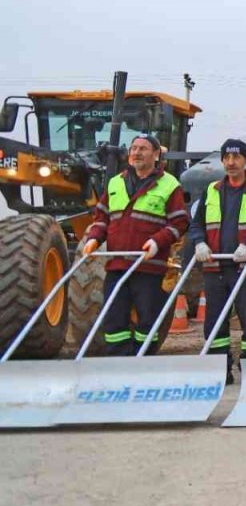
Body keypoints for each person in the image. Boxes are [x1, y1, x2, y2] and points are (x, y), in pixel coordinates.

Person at [81, 134, 189, 355]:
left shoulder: (169, 185)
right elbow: (102, 218)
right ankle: (119, 363)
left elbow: (180, 222)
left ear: (156, 155)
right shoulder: (115, 183)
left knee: (147, 319)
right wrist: (94, 238)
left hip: (148, 266)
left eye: (143, 149)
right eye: (134, 148)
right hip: (117, 265)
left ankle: (143, 361)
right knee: (114, 320)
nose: (137, 153)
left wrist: (157, 242)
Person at [189, 138, 246, 382]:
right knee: (214, 323)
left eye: (236, 157)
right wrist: (199, 242)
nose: (231, 163)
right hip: (215, 267)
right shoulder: (212, 191)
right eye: (227, 158)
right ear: (222, 161)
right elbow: (196, 224)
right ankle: (220, 371)